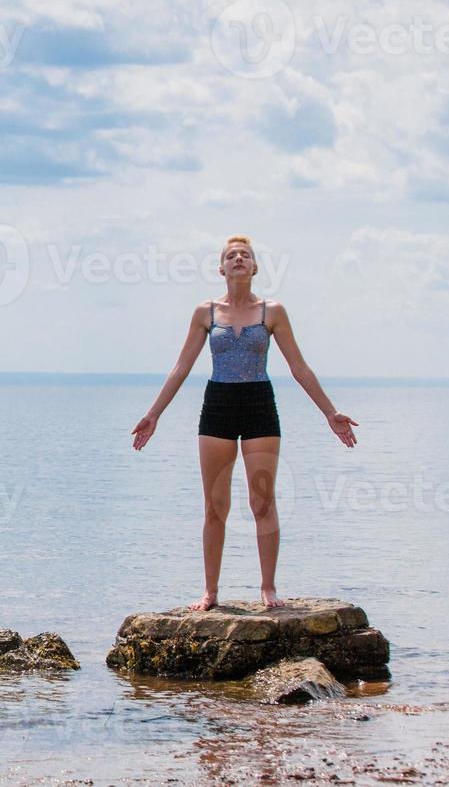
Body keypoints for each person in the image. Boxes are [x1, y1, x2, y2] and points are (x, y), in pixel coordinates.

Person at [129, 235, 358, 611]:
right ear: (222, 269)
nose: (238, 259)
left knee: (261, 500)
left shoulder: (273, 312)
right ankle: (210, 592)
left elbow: (298, 367)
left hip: (258, 405)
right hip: (218, 404)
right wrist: (154, 414)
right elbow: (181, 367)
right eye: (231, 256)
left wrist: (330, 413)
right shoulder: (206, 312)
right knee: (215, 505)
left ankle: (267, 588)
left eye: (245, 255)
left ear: (254, 268)